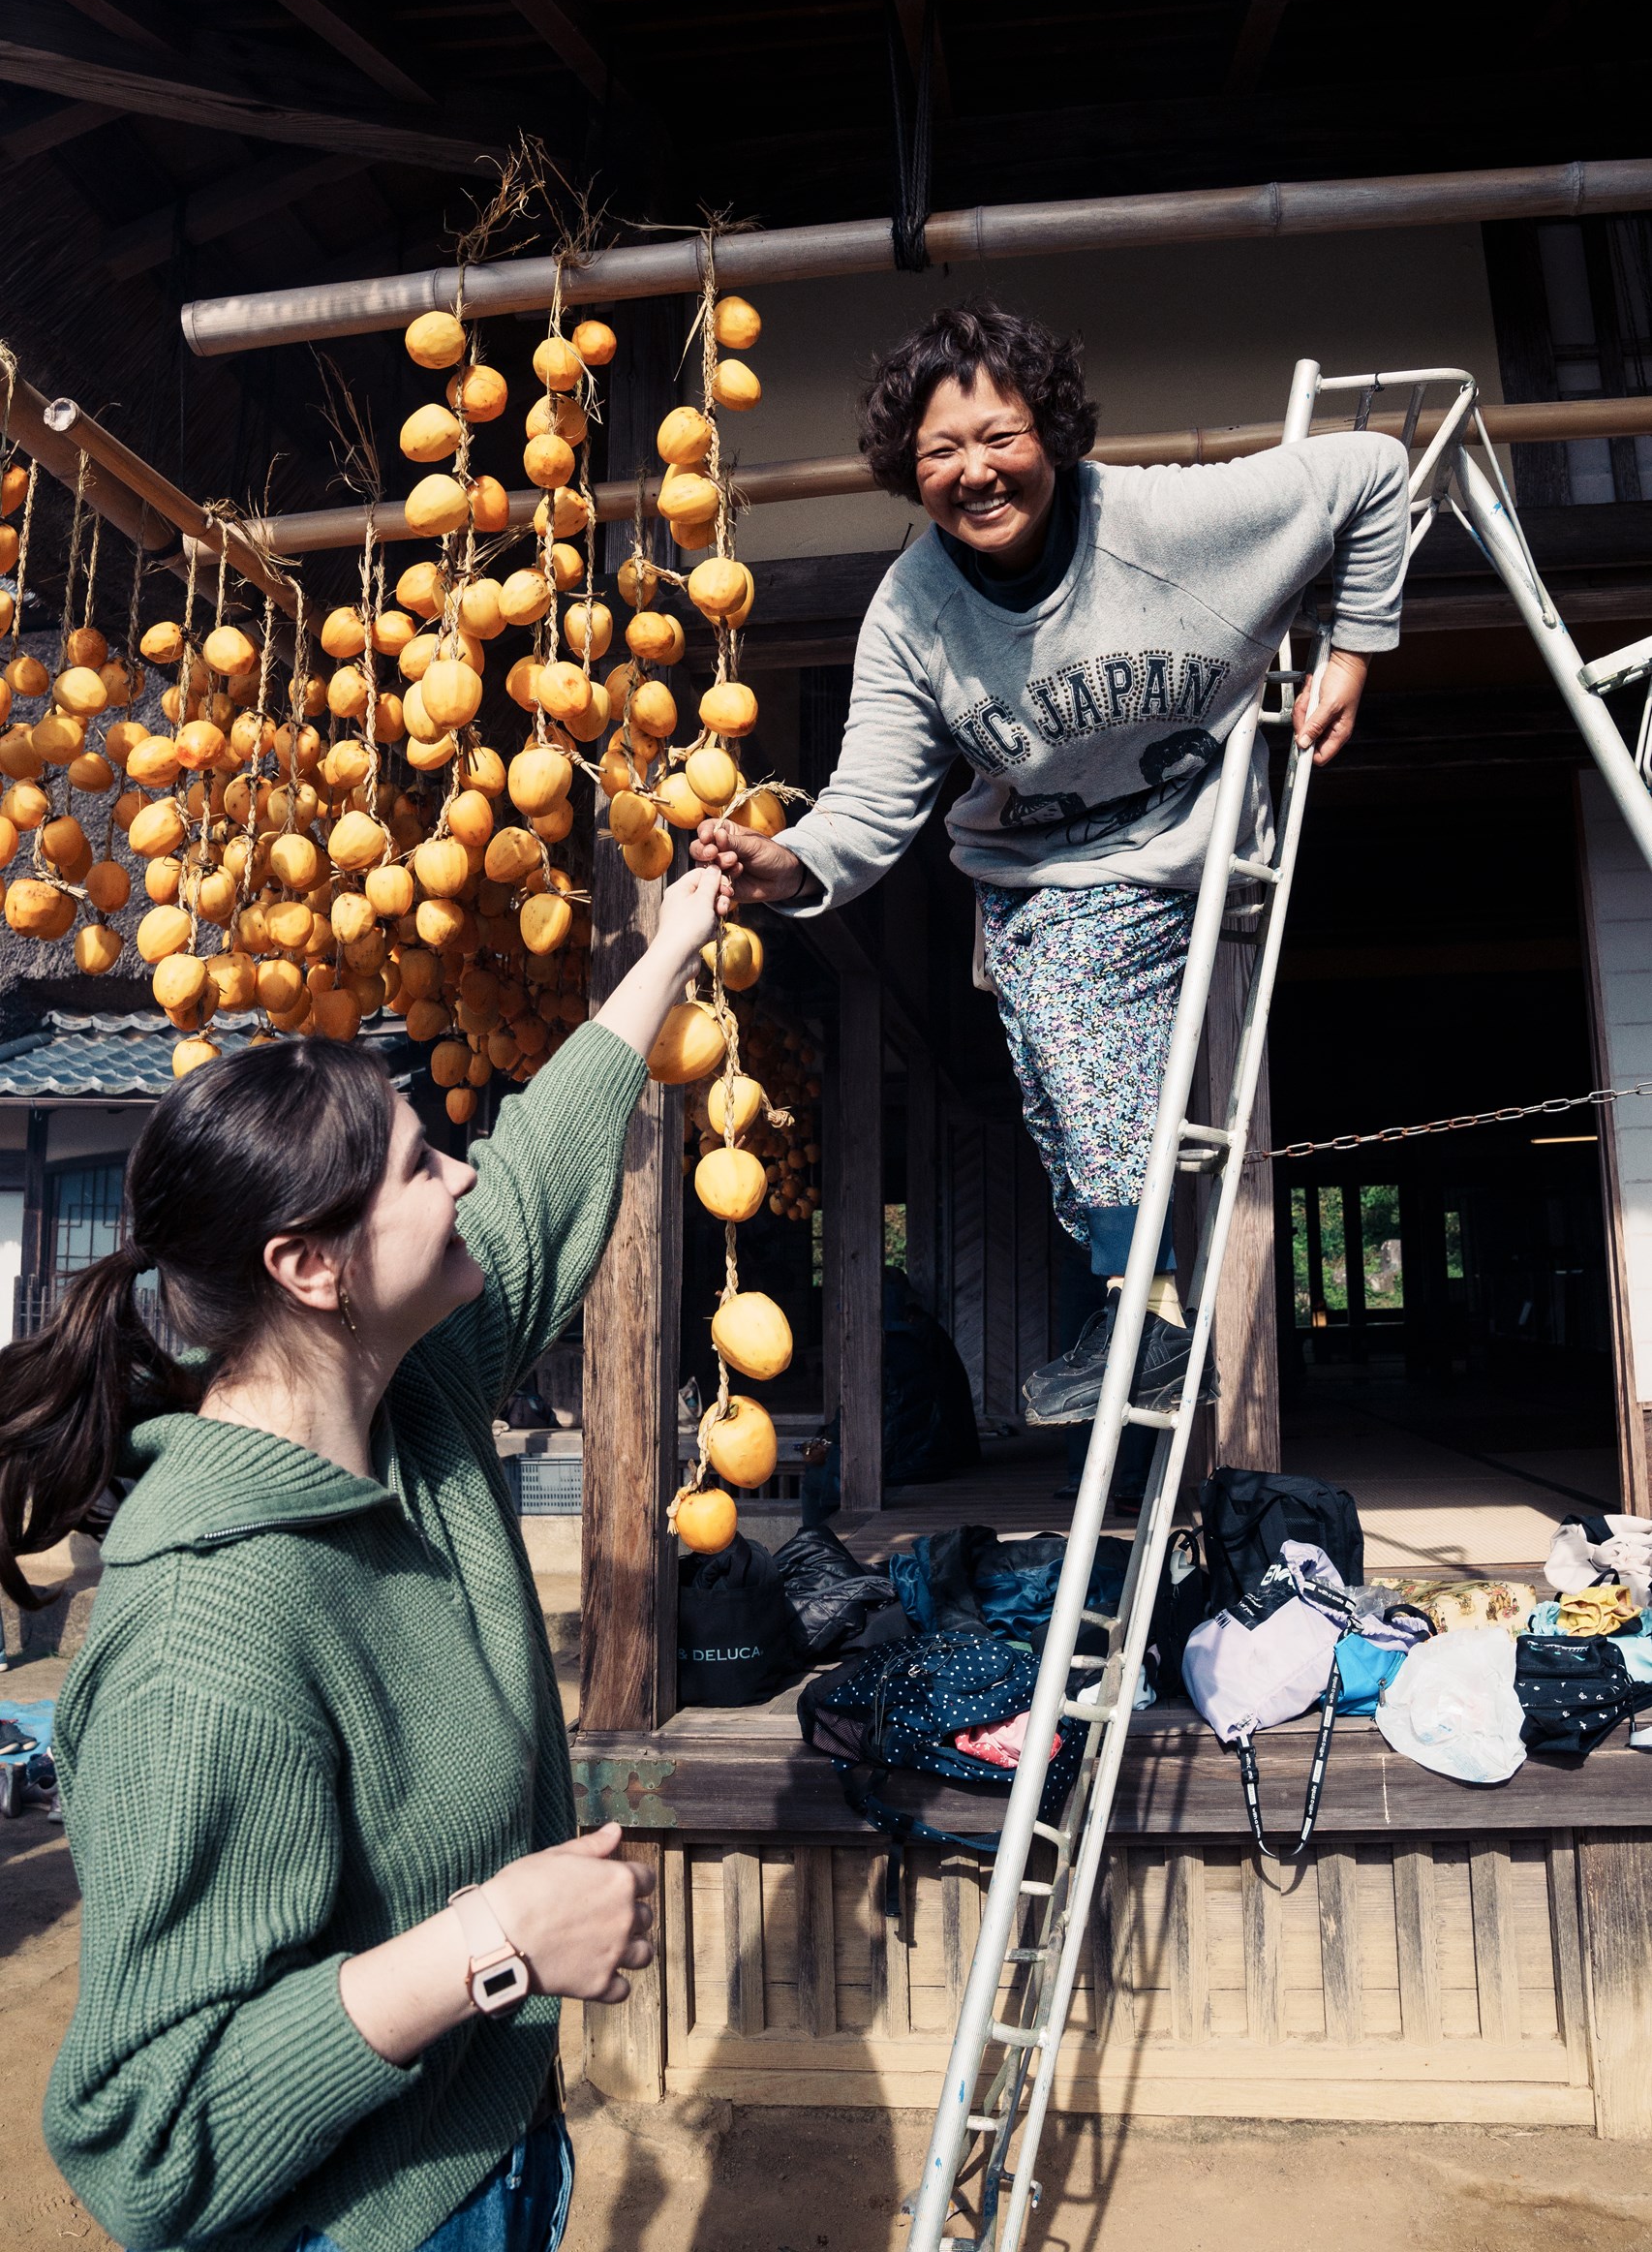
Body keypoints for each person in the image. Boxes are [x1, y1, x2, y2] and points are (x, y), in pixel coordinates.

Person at [0, 866, 724, 2252]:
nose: (460, 1169)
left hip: (485, 2160)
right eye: (416, 1164)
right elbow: (149, 2134)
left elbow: (535, 1181)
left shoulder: (418, 1394)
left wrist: (669, 943)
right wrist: (489, 1945)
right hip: (343, 2226)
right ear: (311, 1267)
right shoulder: (207, 1636)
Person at [694, 298, 1407, 1493]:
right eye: (937, 453)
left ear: (1050, 431)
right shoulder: (911, 616)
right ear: (906, 472)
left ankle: (1139, 1320)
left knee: (1079, 1039)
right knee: (1072, 1102)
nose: (974, 472)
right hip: (1046, 873)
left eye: (998, 435)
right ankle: (1141, 1316)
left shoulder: (1165, 519)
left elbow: (1372, 471)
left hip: (1196, 828)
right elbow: (871, 802)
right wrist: (785, 864)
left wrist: (1352, 649)